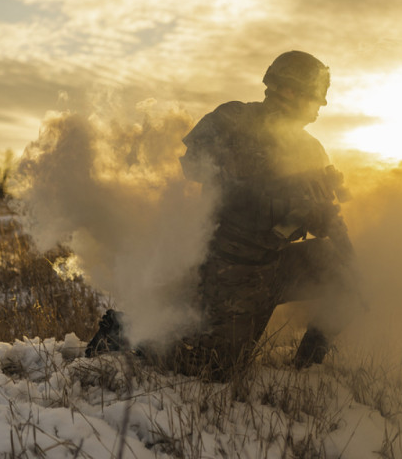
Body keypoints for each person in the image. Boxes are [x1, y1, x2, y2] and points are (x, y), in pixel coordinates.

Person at [87, 50, 360, 377]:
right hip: (229, 268)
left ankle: (306, 369)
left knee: (348, 276)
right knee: (218, 367)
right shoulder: (234, 119)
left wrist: (324, 221)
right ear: (289, 90)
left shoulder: (311, 150)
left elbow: (310, 221)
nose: (320, 106)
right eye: (315, 96)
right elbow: (193, 165)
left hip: (274, 262)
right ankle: (127, 332)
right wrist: (274, 186)